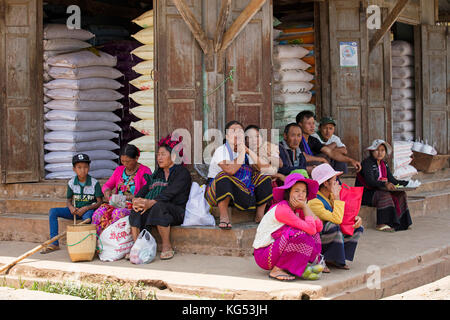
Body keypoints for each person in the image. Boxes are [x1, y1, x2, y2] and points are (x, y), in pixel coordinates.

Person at [129, 135, 192, 260]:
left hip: (176, 211)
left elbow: (170, 193)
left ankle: (166, 246)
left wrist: (150, 202)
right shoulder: (158, 173)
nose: (159, 158)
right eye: (158, 155)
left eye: (163, 154)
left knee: (158, 205)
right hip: (155, 208)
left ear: (173, 156)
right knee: (136, 209)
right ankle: (137, 247)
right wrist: (137, 200)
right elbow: (146, 188)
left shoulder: (182, 173)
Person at [253, 173, 324, 281]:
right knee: (299, 234)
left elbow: (318, 227)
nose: (301, 195)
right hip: (264, 255)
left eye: (304, 191)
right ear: (288, 193)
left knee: (313, 235)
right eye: (296, 191)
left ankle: (298, 265)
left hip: (277, 248)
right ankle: (277, 270)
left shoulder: (298, 209)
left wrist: (306, 208)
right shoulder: (282, 209)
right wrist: (305, 206)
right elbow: (310, 228)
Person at [205, 121, 273, 229]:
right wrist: (242, 153)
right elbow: (230, 170)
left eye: (240, 131)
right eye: (233, 131)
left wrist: (248, 151)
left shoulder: (245, 151)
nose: (237, 134)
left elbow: (266, 169)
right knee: (224, 175)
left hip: (240, 190)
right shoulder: (221, 150)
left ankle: (260, 215)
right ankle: (224, 216)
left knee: (264, 177)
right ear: (227, 137)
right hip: (217, 193)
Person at [41, 154, 103, 254]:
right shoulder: (71, 183)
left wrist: (87, 208)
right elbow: (68, 200)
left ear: (89, 168)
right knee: (53, 211)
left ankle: (85, 243)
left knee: (87, 218)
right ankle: (54, 242)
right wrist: (70, 207)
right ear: (74, 169)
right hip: (75, 211)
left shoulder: (94, 183)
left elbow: (100, 202)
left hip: (87, 211)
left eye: (85, 167)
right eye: (79, 167)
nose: (83, 170)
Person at [309, 163, 364, 271]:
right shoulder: (314, 201)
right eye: (335, 180)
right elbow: (337, 219)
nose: (338, 183)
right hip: (316, 239)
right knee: (333, 226)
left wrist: (356, 218)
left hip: (328, 234)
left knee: (357, 227)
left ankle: (336, 259)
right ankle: (324, 258)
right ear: (325, 183)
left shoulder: (330, 196)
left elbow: (343, 215)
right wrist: (338, 197)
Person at [91, 144, 152, 235]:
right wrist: (107, 192)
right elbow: (107, 185)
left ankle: (112, 241)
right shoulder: (119, 170)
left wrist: (130, 197)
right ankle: (98, 241)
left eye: (128, 161)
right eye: (122, 161)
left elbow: (148, 192)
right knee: (98, 213)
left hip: (134, 206)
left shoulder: (145, 171)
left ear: (136, 158)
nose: (125, 164)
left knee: (117, 213)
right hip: (117, 203)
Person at [355, 139, 412, 232]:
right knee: (384, 195)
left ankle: (402, 222)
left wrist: (407, 183)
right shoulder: (367, 163)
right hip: (365, 194)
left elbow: (392, 180)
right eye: (377, 150)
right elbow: (370, 181)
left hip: (378, 191)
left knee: (401, 194)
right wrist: (385, 184)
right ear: (372, 151)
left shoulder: (384, 164)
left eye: (382, 150)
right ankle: (382, 223)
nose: (380, 153)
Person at [296, 111, 362, 173]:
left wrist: (351, 160)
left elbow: (330, 152)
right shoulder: (297, 139)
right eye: (309, 123)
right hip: (301, 166)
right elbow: (303, 157)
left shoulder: (313, 139)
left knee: (336, 159)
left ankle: (337, 181)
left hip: (314, 163)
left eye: (313, 123)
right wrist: (321, 159)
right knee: (321, 164)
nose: (312, 126)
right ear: (300, 125)